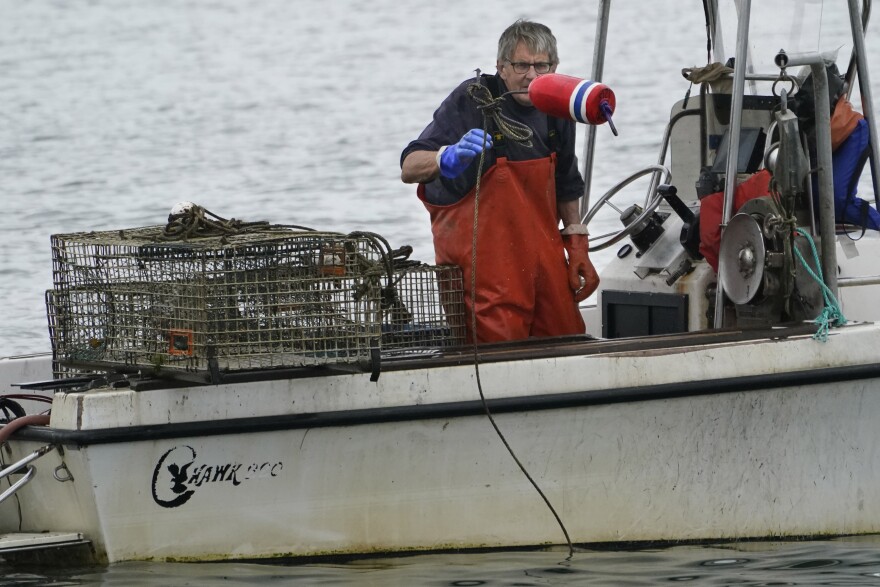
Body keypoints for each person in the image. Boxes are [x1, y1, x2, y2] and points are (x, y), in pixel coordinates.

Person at [400, 19, 599, 344]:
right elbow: (409, 166)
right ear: (501, 67)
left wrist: (578, 244)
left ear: (555, 66)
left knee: (568, 341)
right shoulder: (474, 99)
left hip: (544, 264)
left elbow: (566, 180)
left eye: (541, 65)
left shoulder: (557, 107)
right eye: (521, 65)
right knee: (498, 354)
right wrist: (445, 157)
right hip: (485, 273)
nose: (532, 75)